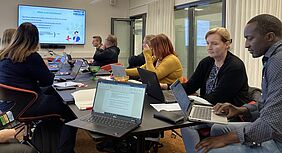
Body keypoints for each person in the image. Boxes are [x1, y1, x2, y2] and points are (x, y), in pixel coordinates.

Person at [195, 14, 282, 153]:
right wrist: (240, 109)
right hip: (272, 129)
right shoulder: (271, 58)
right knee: (217, 128)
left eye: (250, 38)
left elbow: (270, 125)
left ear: (270, 37)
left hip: (277, 139)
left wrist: (225, 139)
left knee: (206, 149)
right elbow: (267, 106)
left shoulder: (278, 62)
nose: (246, 44)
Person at [0, 22, 77, 153]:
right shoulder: (31, 56)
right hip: (28, 105)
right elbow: (48, 81)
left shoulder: (4, 55)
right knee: (71, 111)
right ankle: (64, 150)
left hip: (9, 106)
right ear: (35, 39)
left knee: (53, 93)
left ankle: (50, 136)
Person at [180, 27, 250, 153]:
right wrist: (172, 91)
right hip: (209, 108)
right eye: (207, 43)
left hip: (228, 112)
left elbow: (216, 98)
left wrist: (190, 104)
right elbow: (191, 85)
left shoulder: (235, 66)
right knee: (185, 124)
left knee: (187, 124)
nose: (209, 47)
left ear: (227, 44)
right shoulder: (207, 62)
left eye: (214, 43)